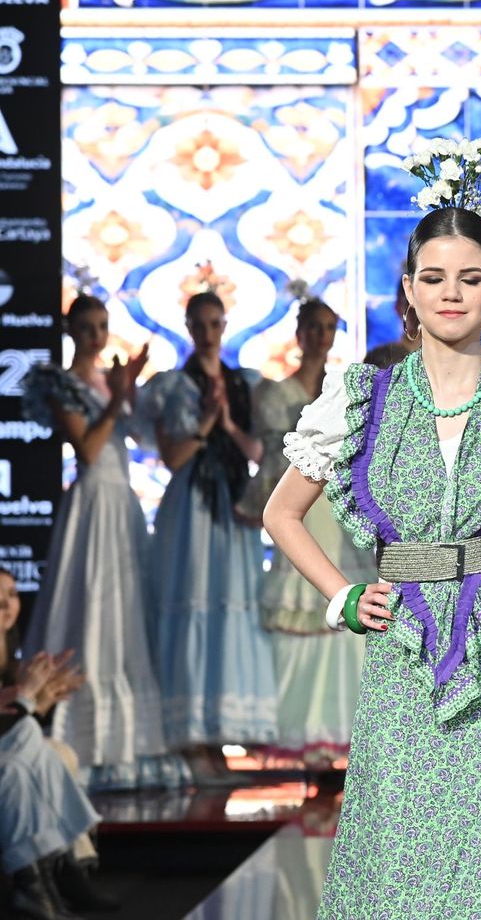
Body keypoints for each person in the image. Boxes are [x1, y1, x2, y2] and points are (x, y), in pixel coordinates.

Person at [264, 206, 481, 916]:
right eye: (434, 276)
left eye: (470, 277)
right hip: (402, 662)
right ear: (409, 290)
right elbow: (281, 513)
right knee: (393, 879)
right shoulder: (363, 397)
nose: (452, 292)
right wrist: (345, 597)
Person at [20, 294, 183, 790]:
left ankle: (130, 744)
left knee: (125, 614)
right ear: (70, 329)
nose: (96, 334)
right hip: (92, 504)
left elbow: (130, 434)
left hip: (123, 503)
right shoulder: (60, 381)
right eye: (87, 326)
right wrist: (116, 397)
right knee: (90, 606)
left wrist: (125, 389)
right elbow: (89, 449)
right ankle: (82, 743)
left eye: (102, 325)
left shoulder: (102, 380)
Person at [140, 291, 276, 772]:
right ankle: (193, 731)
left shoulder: (249, 384)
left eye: (214, 323)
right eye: (198, 324)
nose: (207, 332)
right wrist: (204, 423)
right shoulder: (173, 386)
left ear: (224, 325)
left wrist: (230, 424)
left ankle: (232, 725)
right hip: (193, 508)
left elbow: (262, 452)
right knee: (195, 597)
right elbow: (173, 458)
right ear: (188, 327)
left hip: (235, 506)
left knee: (233, 600)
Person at [240, 297, 374, 770]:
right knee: (299, 611)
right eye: (313, 327)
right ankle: (297, 744)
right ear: (298, 333)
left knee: (342, 618)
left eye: (328, 327)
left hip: (337, 507)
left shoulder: (344, 389)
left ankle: (336, 743)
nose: (320, 335)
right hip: (298, 499)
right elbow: (271, 465)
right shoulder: (273, 393)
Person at [0, 569, 118, 917]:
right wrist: (26, 701)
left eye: (13, 594)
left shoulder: (10, 650)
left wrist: (37, 703)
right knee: (26, 762)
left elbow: (15, 728)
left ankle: (44, 878)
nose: (6, 604)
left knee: (48, 749)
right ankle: (51, 872)